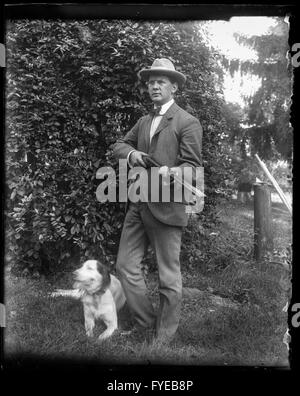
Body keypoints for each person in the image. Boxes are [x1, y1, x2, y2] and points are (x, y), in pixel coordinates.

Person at [113, 58, 203, 344]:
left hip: (167, 206)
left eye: (161, 81)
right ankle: (146, 321)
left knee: (168, 275)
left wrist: (172, 171)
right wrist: (132, 155)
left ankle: (163, 336)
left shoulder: (187, 122)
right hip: (139, 202)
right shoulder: (143, 121)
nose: (154, 85)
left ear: (174, 87)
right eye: (151, 81)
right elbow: (118, 145)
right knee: (126, 265)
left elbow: (192, 166)